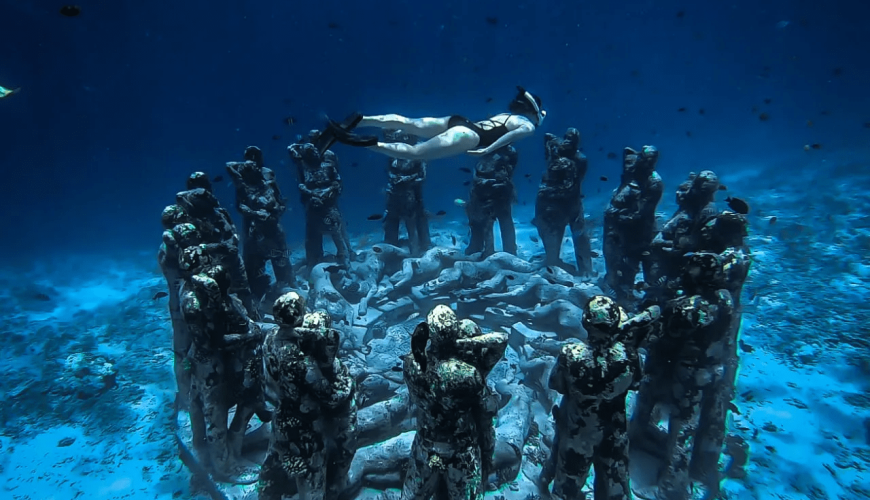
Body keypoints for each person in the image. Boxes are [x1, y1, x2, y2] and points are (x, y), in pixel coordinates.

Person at [326, 86, 546, 161]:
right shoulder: (528, 125)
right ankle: (367, 143)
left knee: (408, 123)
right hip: (470, 137)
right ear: (534, 111)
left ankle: (361, 120)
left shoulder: (504, 114)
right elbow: (509, 137)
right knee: (416, 153)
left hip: (460, 121)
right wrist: (486, 150)